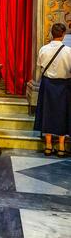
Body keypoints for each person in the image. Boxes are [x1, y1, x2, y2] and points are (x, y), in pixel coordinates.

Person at [34, 23, 71, 157]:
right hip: (64, 85)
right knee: (63, 113)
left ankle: (48, 146)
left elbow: (39, 67)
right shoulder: (68, 51)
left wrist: (37, 82)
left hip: (48, 84)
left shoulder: (43, 49)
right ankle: (61, 146)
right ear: (63, 35)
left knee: (47, 112)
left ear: (51, 34)